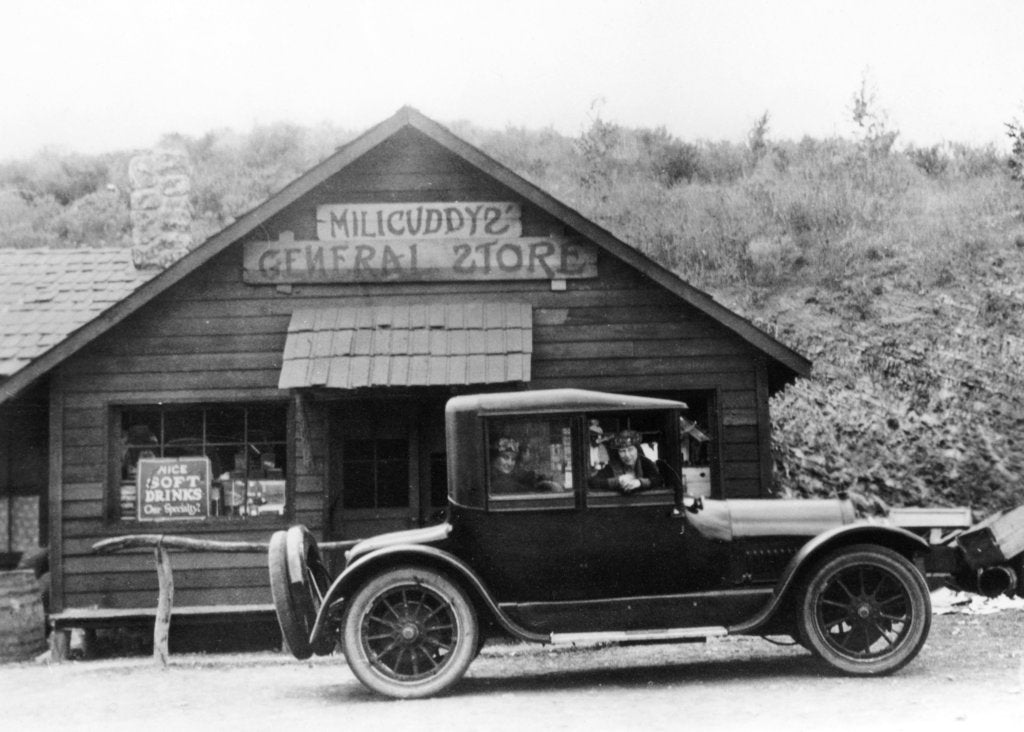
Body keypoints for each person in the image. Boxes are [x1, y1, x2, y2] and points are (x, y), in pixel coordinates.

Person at [588, 429, 664, 495]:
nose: (627, 455)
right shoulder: (612, 466)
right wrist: (618, 480)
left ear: (637, 450)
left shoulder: (645, 462)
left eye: (630, 449)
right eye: (622, 451)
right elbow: (594, 482)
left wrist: (639, 483)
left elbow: (659, 479)